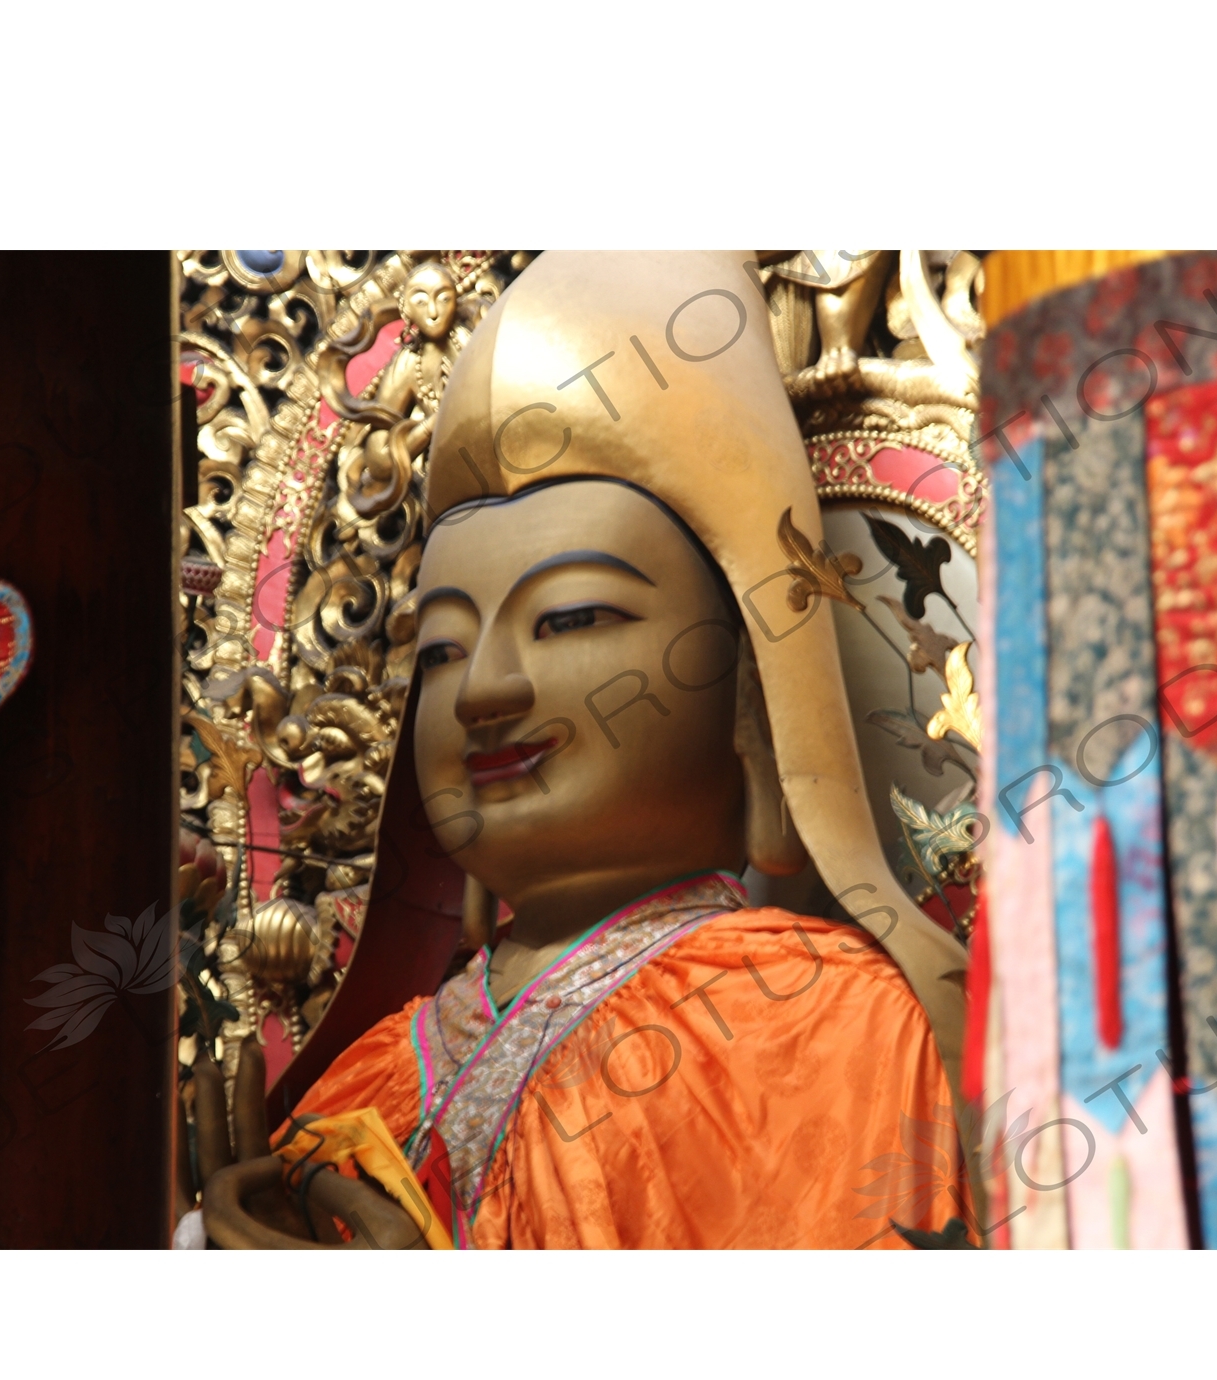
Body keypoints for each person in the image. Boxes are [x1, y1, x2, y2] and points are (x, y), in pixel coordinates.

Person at [202, 252, 972, 1249]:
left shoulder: (820, 1027)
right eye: (440, 646)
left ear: (748, 681)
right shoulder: (364, 1079)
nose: (483, 689)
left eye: (568, 620)